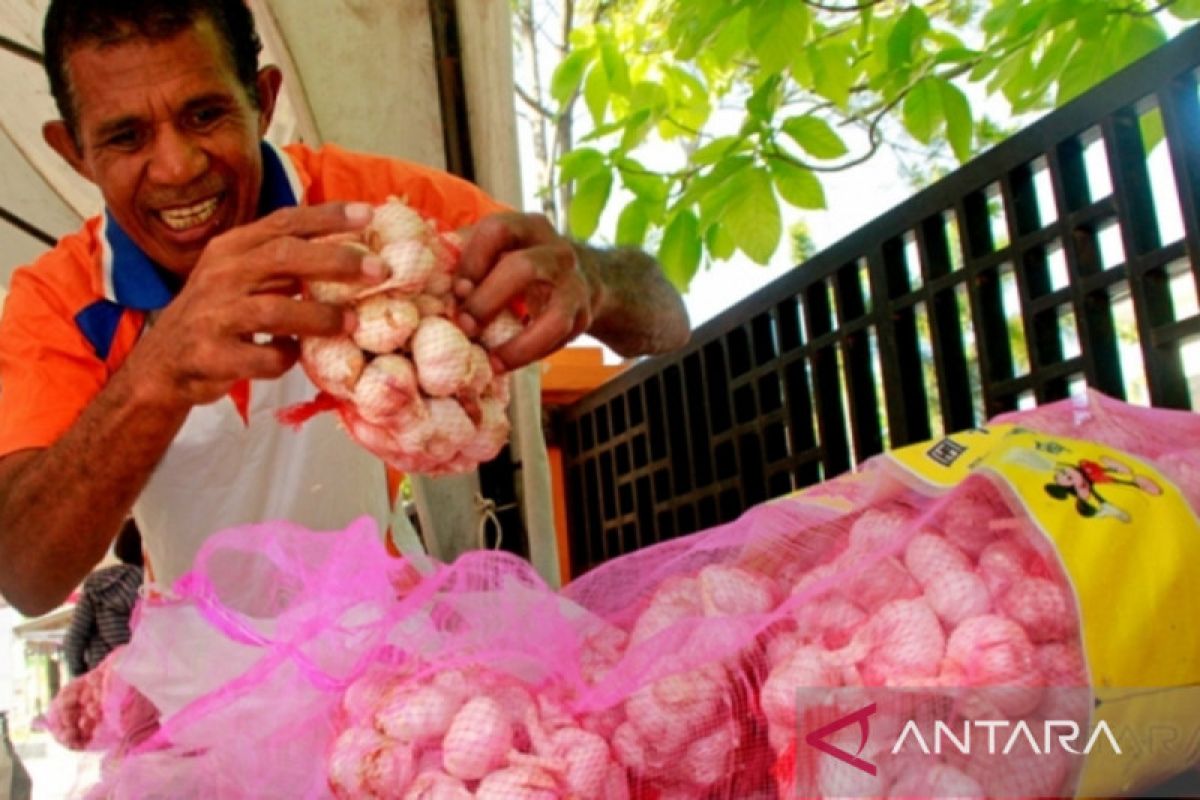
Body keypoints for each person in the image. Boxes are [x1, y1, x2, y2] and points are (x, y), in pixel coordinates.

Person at [0, 0, 690, 617]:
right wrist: (161, 370)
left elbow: (665, 318)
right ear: (75, 153)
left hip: (388, 651)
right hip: (198, 686)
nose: (177, 167)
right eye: (125, 137)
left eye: (205, 114)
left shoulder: (377, 212)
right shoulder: (60, 300)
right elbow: (25, 575)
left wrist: (595, 279)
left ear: (262, 100)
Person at [62, 519, 145, 677]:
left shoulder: (96, 586)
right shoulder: (154, 589)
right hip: (142, 686)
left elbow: (74, 640)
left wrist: (82, 675)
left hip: (103, 683)